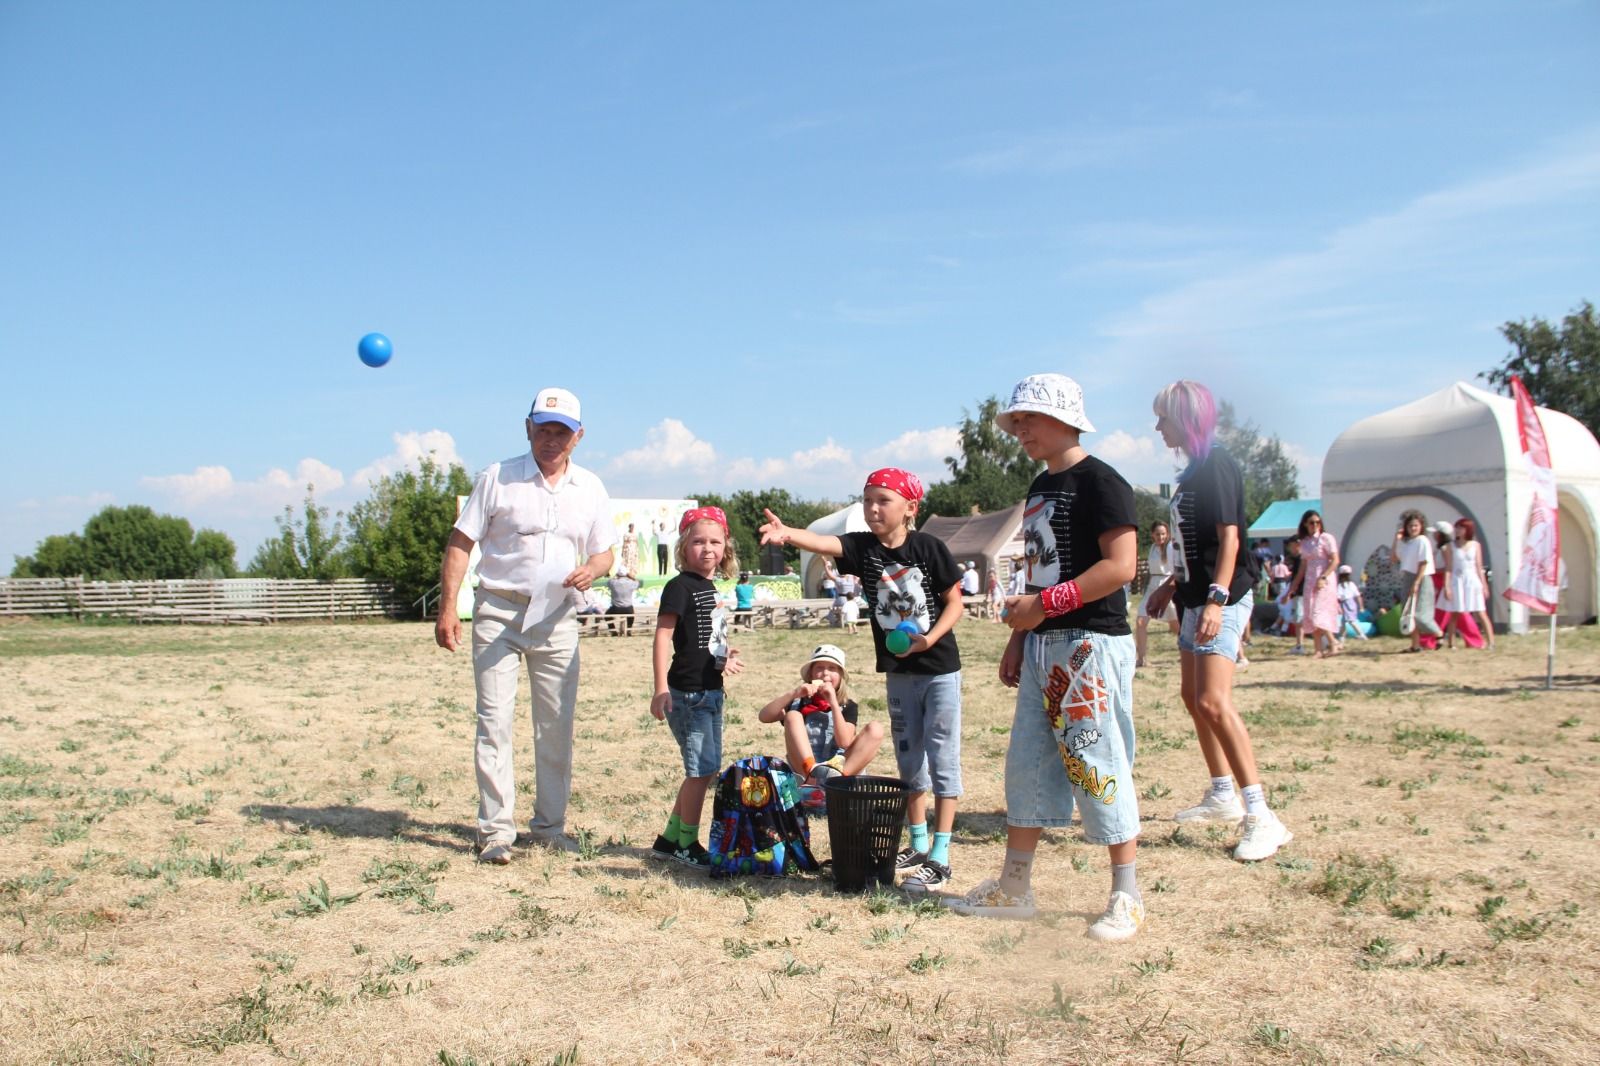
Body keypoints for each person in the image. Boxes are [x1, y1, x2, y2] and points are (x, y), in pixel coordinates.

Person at [944, 373, 1144, 941]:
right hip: (1043, 644)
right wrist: (1020, 636)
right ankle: (1016, 885)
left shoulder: (1103, 483)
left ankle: (1125, 894)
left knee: (1097, 763)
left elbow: (1121, 567)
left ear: (1065, 418)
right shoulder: (1038, 487)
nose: (1020, 429)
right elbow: (1038, 568)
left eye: (1029, 419)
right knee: (1027, 761)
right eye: (1016, 421)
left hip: (1089, 643)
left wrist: (1045, 607)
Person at [760, 468, 965, 892]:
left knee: (942, 758)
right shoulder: (863, 549)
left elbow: (954, 603)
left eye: (883, 500)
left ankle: (942, 854)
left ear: (910, 508)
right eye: (867, 499)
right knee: (910, 760)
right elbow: (824, 542)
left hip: (939, 670)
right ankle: (919, 842)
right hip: (898, 673)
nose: (872, 508)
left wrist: (928, 640)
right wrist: (788, 533)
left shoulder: (929, 548)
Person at [435, 387, 617, 865]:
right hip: (498, 612)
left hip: (557, 618)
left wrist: (593, 570)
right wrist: (448, 607)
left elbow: (605, 551)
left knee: (555, 726)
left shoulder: (591, 488)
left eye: (561, 431)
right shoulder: (497, 478)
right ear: (528, 428)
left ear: (578, 436)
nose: (550, 439)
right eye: (543, 429)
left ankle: (550, 827)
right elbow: (460, 543)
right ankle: (496, 831)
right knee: (493, 722)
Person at [1145, 380, 1291, 862]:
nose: (1158, 426)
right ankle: (1222, 793)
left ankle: (1261, 816)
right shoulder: (1192, 471)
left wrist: (1215, 599)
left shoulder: (1218, 465)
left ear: (1186, 418)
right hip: (1192, 595)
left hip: (1221, 599)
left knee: (1213, 699)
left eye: (1164, 417)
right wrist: (1173, 583)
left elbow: (1230, 540)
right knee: (1193, 698)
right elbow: (1195, 542)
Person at [650, 507, 743, 866]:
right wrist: (660, 687)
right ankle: (687, 843)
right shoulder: (679, 587)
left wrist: (724, 655)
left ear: (726, 549)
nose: (708, 548)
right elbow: (663, 636)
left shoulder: (709, 587)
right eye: (698, 541)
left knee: (705, 769)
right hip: (688, 694)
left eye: (715, 542)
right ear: (683, 548)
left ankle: (670, 838)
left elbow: (707, 639)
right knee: (700, 771)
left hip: (710, 689)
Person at [757, 644, 885, 794]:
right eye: (819, 668)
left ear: (840, 676)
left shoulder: (848, 706)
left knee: (876, 729)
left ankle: (835, 785)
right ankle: (811, 779)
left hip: (839, 770)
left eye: (832, 668)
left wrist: (833, 703)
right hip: (805, 772)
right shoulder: (798, 703)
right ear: (810, 674)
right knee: (792, 716)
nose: (825, 673)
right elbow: (764, 716)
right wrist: (793, 694)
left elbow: (844, 742)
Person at [1287, 510, 1342, 658]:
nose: (1315, 525)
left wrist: (1324, 576)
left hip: (1324, 579)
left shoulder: (1326, 538)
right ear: (1305, 524)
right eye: (1312, 523)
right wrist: (1294, 586)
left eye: (1317, 522)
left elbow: (1335, 560)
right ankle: (1318, 649)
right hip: (1310, 580)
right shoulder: (1304, 543)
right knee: (1310, 614)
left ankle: (1333, 642)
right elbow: (1303, 566)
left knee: (1319, 612)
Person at [1390, 509, 1442, 652]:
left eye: (1416, 525)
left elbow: (1423, 563)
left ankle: (1438, 634)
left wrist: (1417, 582)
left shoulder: (1422, 541)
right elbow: (1394, 558)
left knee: (1420, 613)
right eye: (1410, 526)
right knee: (1407, 613)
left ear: (1421, 527)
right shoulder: (1407, 543)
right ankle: (1415, 645)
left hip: (1422, 577)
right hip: (1408, 576)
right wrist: (1396, 538)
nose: (1413, 528)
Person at [1441, 518, 1494, 651]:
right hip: (1457, 579)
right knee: (1455, 612)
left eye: (1461, 528)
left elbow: (1478, 566)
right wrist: (1447, 586)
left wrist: (1484, 586)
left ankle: (1491, 642)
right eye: (1457, 528)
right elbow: (1448, 567)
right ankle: (1451, 643)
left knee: (1480, 611)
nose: (1458, 530)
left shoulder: (1475, 545)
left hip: (1472, 580)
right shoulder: (1450, 546)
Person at [1135, 520, 1180, 668]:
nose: (1160, 537)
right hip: (1153, 585)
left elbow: (1176, 570)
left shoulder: (1170, 548)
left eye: (1163, 534)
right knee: (1140, 621)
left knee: (1175, 625)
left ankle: (1187, 650)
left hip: (1166, 586)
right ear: (1152, 535)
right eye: (1157, 534)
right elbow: (1150, 570)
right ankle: (1141, 658)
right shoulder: (1153, 548)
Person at [1334, 565, 1368, 641]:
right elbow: (1358, 596)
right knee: (1344, 621)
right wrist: (1361, 606)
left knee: (1351, 621)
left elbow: (1338, 598)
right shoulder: (1352, 584)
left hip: (1346, 604)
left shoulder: (1340, 586)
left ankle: (1361, 634)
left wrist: (1338, 607)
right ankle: (1342, 636)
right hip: (1352, 603)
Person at [607, 568, 640, 635]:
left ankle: (613, 631)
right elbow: (638, 582)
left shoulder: (613, 583)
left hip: (616, 608)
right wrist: (631, 577)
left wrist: (615, 576)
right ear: (626, 574)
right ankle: (629, 629)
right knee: (631, 615)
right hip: (628, 608)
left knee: (607, 616)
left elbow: (609, 581)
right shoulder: (630, 583)